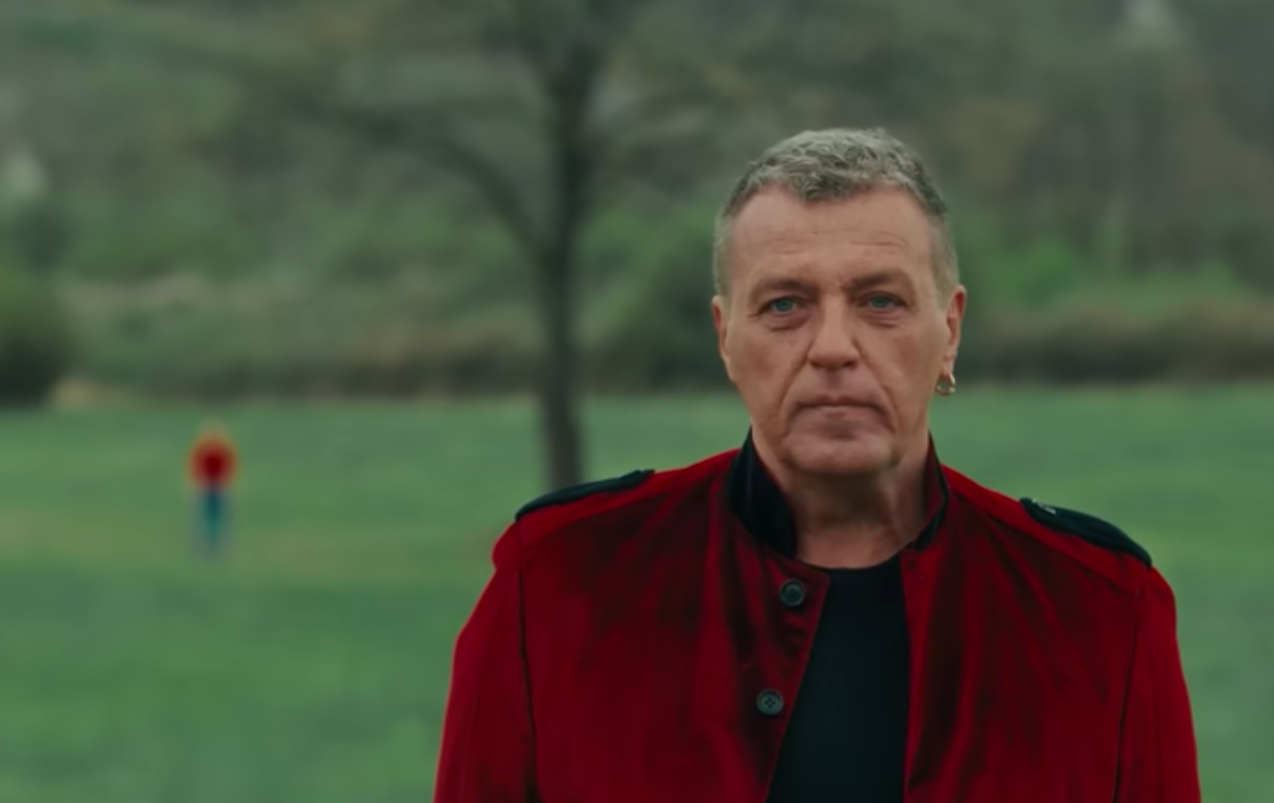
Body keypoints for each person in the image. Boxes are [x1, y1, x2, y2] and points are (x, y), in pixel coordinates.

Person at [434, 129, 1199, 802]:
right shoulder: (558, 582)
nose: (833, 347)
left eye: (880, 301)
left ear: (951, 329)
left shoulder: (1099, 609)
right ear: (725, 336)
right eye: (785, 305)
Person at [189, 420, 237, 557]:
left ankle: (220, 544)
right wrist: (198, 483)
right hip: (205, 486)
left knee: (220, 517)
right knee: (203, 516)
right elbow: (195, 468)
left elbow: (229, 468)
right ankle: (202, 544)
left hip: (219, 486)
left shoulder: (223, 452)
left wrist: (225, 483)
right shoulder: (201, 452)